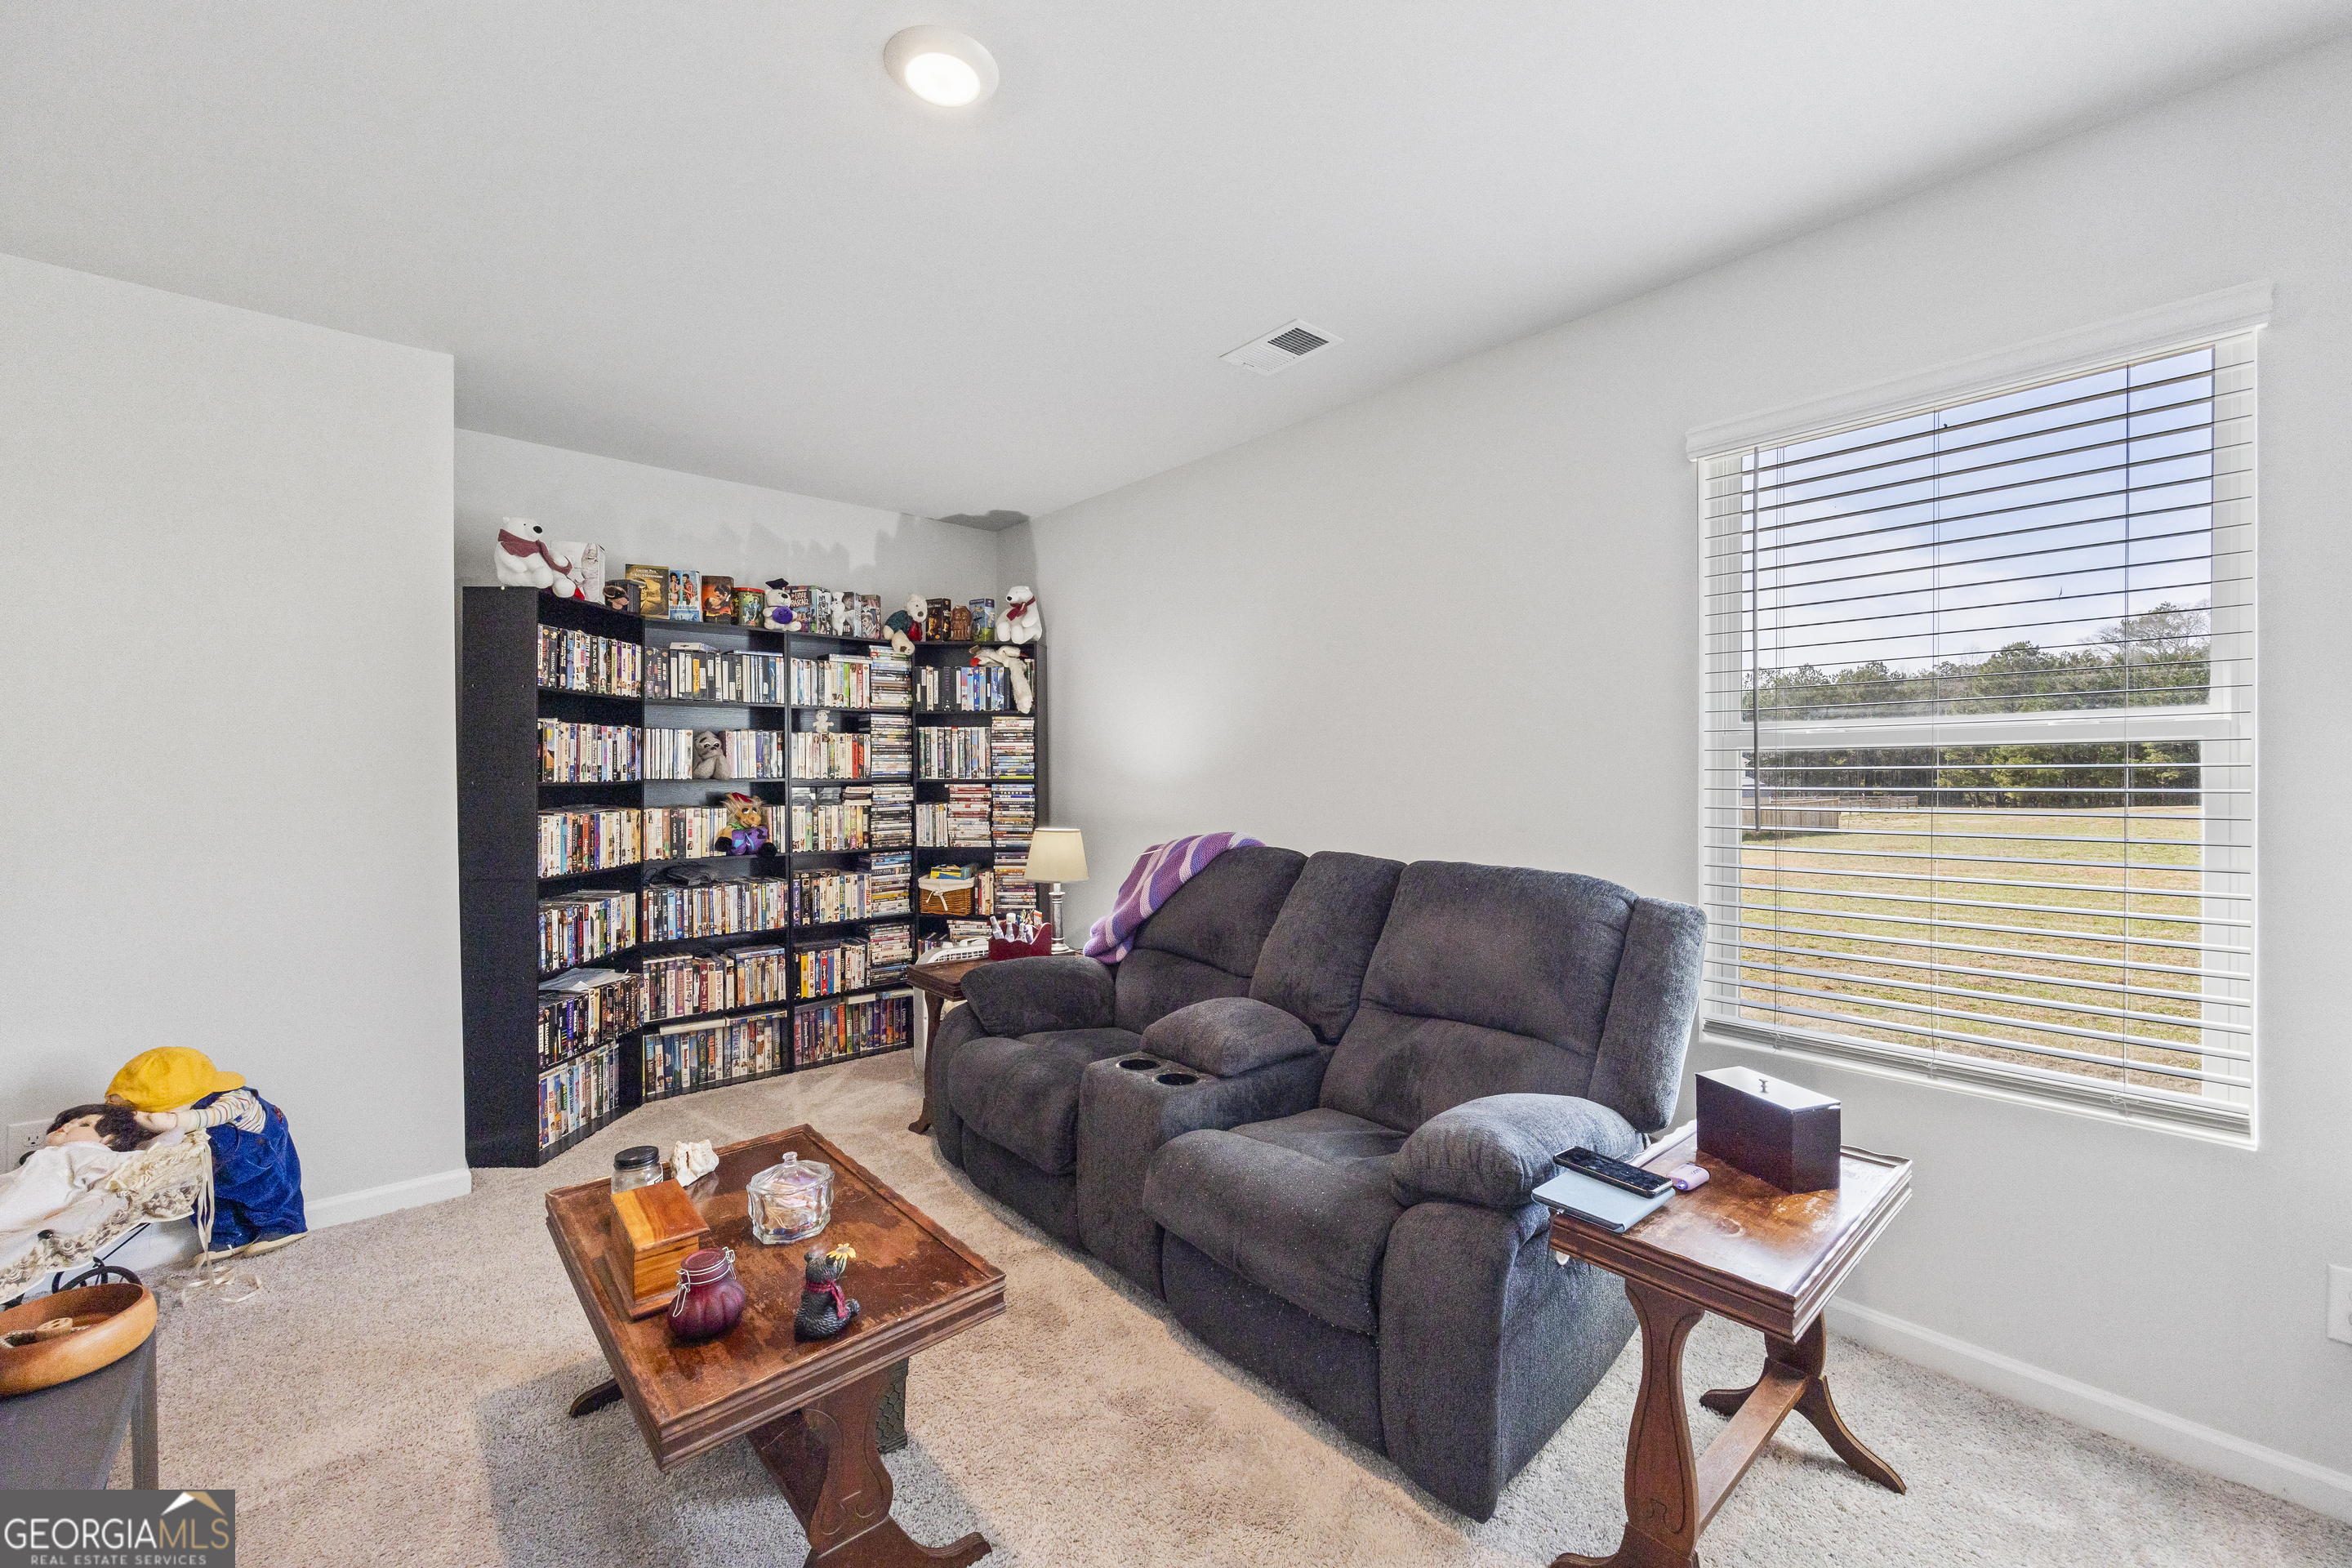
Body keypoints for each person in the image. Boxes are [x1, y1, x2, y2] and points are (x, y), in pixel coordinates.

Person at [107, 1047, 305, 1260]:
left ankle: (283, 1224)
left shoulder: (236, 1097)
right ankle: (229, 1234)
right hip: (209, 1160)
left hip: (255, 1150)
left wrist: (175, 1121)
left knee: (266, 1188)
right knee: (207, 1195)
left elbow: (215, 1116)